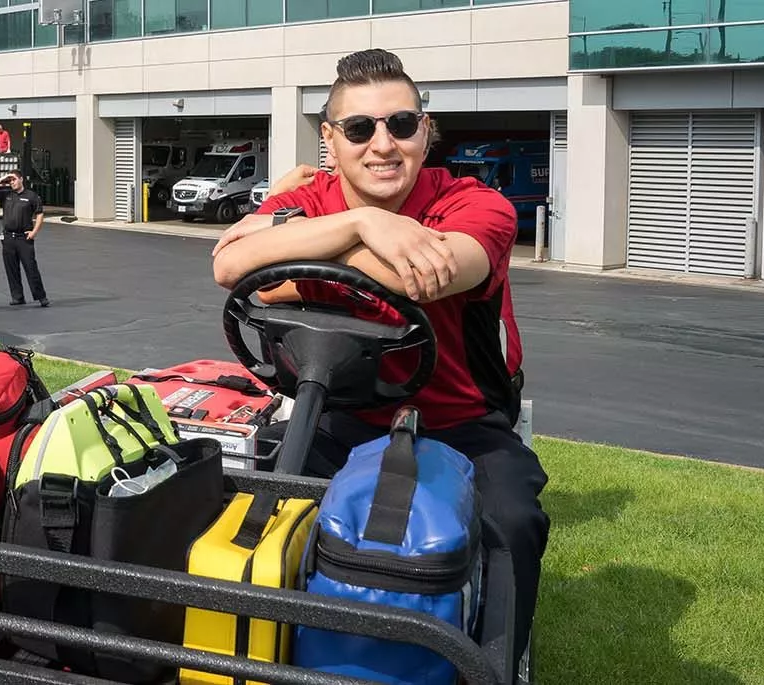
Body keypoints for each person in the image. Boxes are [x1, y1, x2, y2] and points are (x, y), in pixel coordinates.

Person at [210, 48, 549, 659]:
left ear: (426, 130)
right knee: (260, 522)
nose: (383, 144)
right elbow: (231, 265)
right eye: (361, 128)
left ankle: (493, 665)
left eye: (401, 124)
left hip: (461, 425)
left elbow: (434, 274)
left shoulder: (478, 205)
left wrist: (295, 246)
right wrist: (365, 226)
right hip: (337, 416)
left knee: (513, 523)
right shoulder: (314, 199)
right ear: (331, 139)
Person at [0, 172, 50, 307]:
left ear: (21, 179)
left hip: (24, 238)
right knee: (11, 269)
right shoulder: (7, 195)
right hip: (8, 237)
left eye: (14, 180)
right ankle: (17, 297)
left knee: (31, 267)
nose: (12, 183)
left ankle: (41, 296)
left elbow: (39, 214)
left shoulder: (31, 196)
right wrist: (1, 179)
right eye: (10, 181)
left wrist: (34, 232)